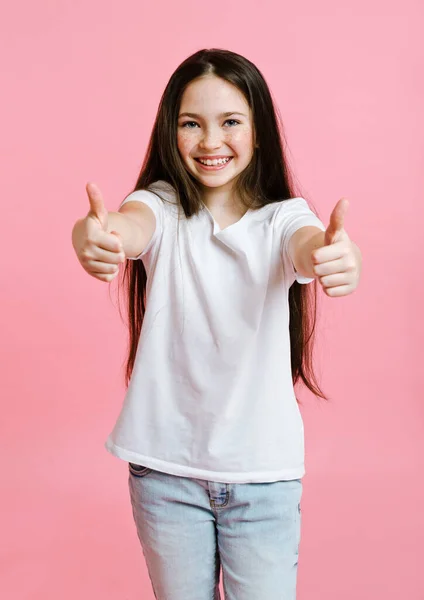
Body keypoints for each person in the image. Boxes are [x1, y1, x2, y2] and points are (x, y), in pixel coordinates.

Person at [72, 48, 362, 600]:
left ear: (259, 132)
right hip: (165, 475)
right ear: (170, 131)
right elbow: (125, 228)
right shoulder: (160, 205)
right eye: (191, 124)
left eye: (230, 122)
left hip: (264, 479)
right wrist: (94, 236)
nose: (210, 141)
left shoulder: (285, 217)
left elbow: (309, 247)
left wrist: (336, 255)